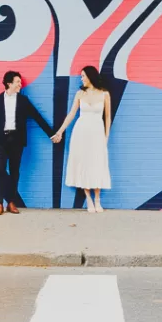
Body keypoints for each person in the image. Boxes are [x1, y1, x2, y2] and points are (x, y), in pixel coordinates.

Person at [0, 71, 51, 215]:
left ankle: (11, 202)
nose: (20, 84)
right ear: (9, 83)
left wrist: (51, 134)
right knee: (0, 170)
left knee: (15, 172)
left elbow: (37, 117)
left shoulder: (23, 100)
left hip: (16, 140)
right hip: (0, 141)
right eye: (17, 82)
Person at [51, 65, 112, 213]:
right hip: (81, 132)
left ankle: (97, 199)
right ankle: (89, 199)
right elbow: (72, 114)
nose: (81, 78)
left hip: (97, 132)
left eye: (83, 76)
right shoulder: (80, 94)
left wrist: (106, 137)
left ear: (90, 76)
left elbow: (108, 117)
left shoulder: (104, 94)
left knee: (97, 163)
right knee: (83, 164)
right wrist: (60, 131)